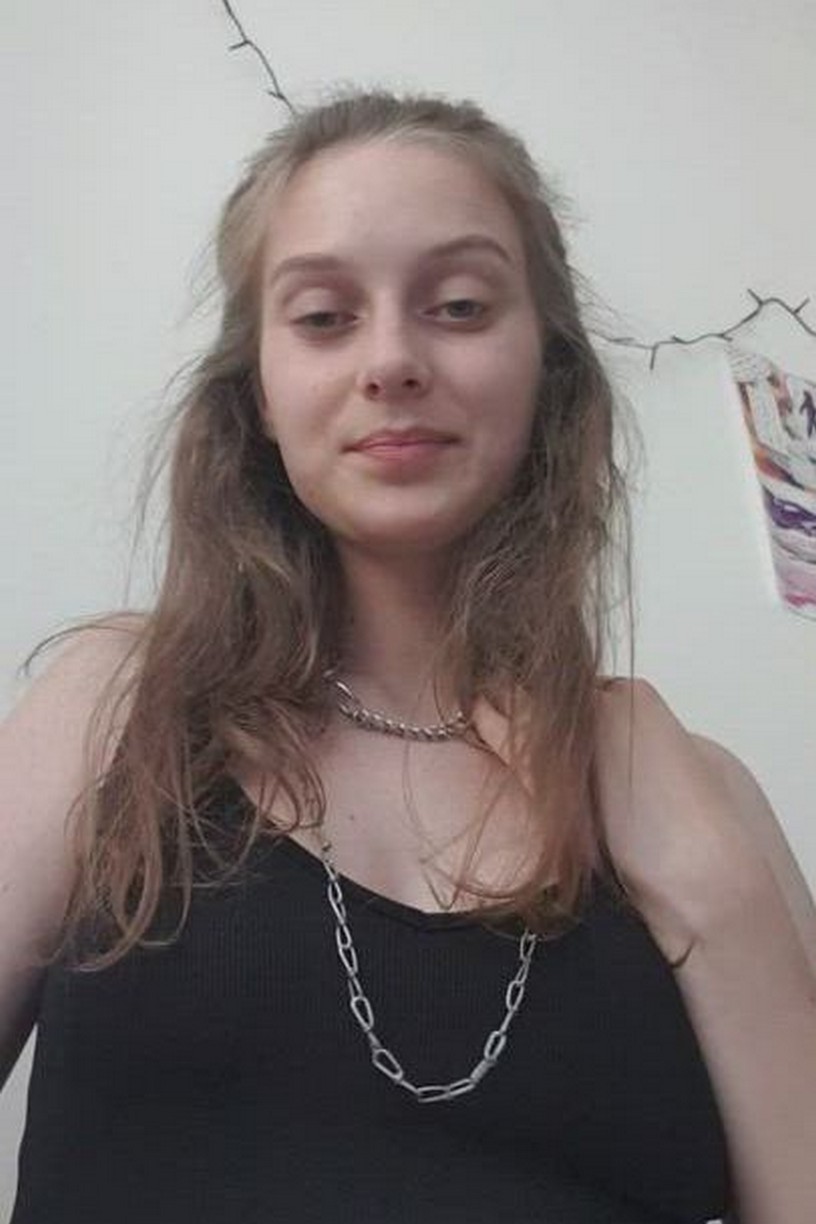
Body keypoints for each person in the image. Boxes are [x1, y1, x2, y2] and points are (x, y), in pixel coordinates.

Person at [2, 87, 815, 1224]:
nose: (390, 359)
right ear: (259, 395)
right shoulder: (112, 713)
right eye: (324, 316)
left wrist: (716, 896)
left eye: (461, 305)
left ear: (549, 369)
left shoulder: (701, 799)